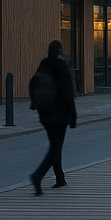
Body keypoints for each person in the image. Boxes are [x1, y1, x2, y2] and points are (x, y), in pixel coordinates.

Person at [29, 40, 77, 196]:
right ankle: (38, 176)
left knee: (55, 146)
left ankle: (60, 177)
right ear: (60, 51)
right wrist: (73, 114)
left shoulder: (44, 64)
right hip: (60, 113)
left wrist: (35, 103)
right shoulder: (61, 66)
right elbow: (68, 92)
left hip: (45, 112)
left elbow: (33, 83)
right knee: (55, 148)